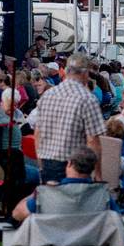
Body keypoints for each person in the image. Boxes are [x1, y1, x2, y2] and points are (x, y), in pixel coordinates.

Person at [32, 53, 105, 183]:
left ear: (66, 71)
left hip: (48, 162)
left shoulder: (48, 95)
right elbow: (93, 140)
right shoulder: (87, 98)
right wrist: (98, 173)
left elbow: (38, 133)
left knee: (51, 201)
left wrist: (41, 162)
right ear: (85, 73)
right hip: (75, 166)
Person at [11, 146, 114, 226]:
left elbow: (17, 214)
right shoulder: (102, 195)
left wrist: (36, 193)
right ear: (92, 168)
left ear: (69, 164)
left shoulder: (49, 193)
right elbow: (116, 219)